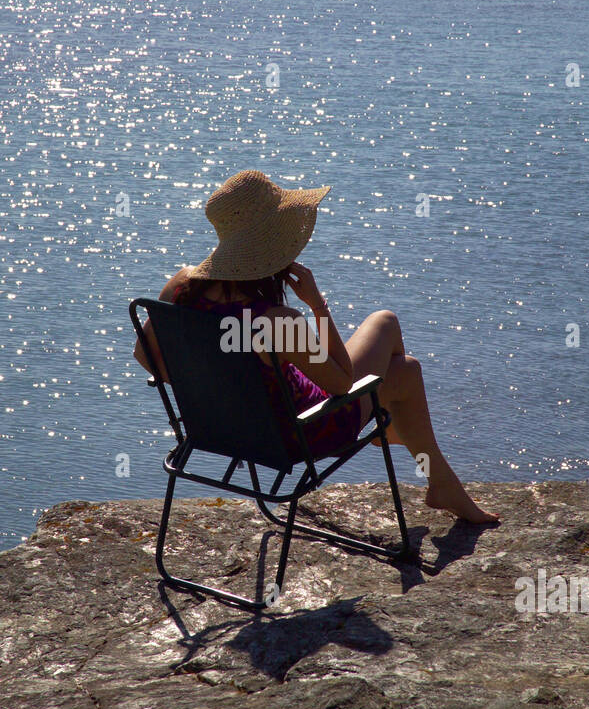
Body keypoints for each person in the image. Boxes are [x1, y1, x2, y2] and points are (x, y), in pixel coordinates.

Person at [134, 169, 497, 523]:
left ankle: (434, 474)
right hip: (300, 433)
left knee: (405, 372)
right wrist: (317, 305)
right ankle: (409, 446)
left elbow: (143, 354)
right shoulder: (276, 320)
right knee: (386, 325)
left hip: (223, 429)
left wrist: (208, 389)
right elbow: (342, 384)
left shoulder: (181, 287)